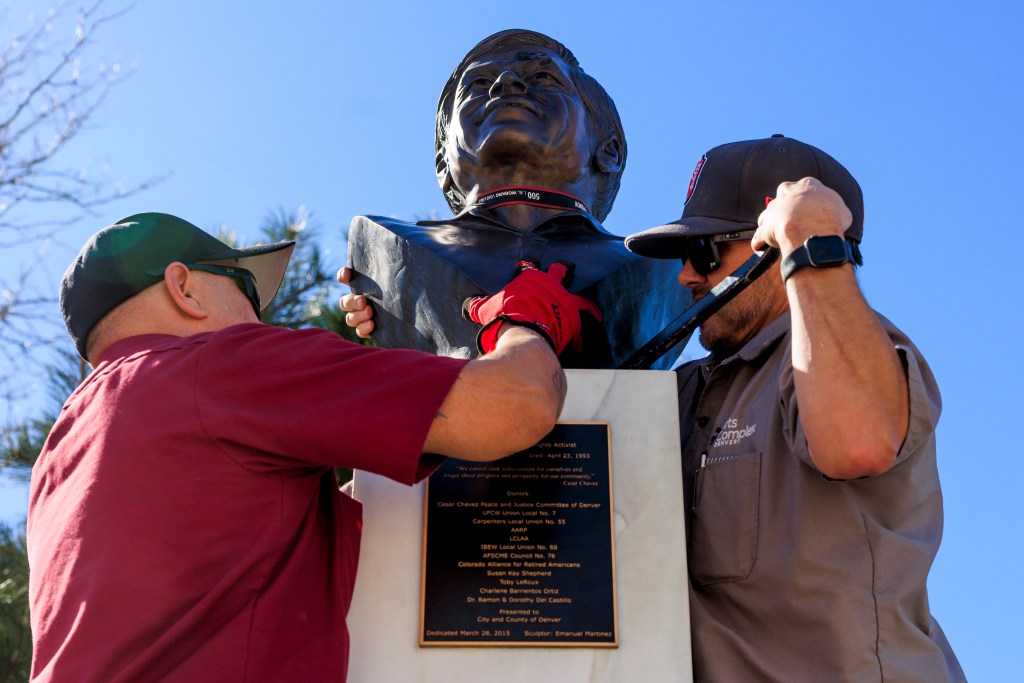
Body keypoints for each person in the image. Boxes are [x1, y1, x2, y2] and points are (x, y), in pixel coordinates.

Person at [27, 212, 598, 681]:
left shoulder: (59, 456)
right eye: (247, 290)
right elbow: (516, 402)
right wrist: (527, 318)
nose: (258, 315)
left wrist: (382, 382)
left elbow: (254, 548)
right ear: (184, 287)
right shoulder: (222, 365)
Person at [624, 135, 966, 682]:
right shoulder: (686, 389)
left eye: (705, 253)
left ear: (773, 248)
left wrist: (812, 245)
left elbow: (858, 441)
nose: (687, 276)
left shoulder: (857, 353)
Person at [340, 28, 686, 368]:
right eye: (477, 84)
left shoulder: (668, 268)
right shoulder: (391, 248)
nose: (505, 84)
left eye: (542, 77)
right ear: (443, 163)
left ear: (608, 150)